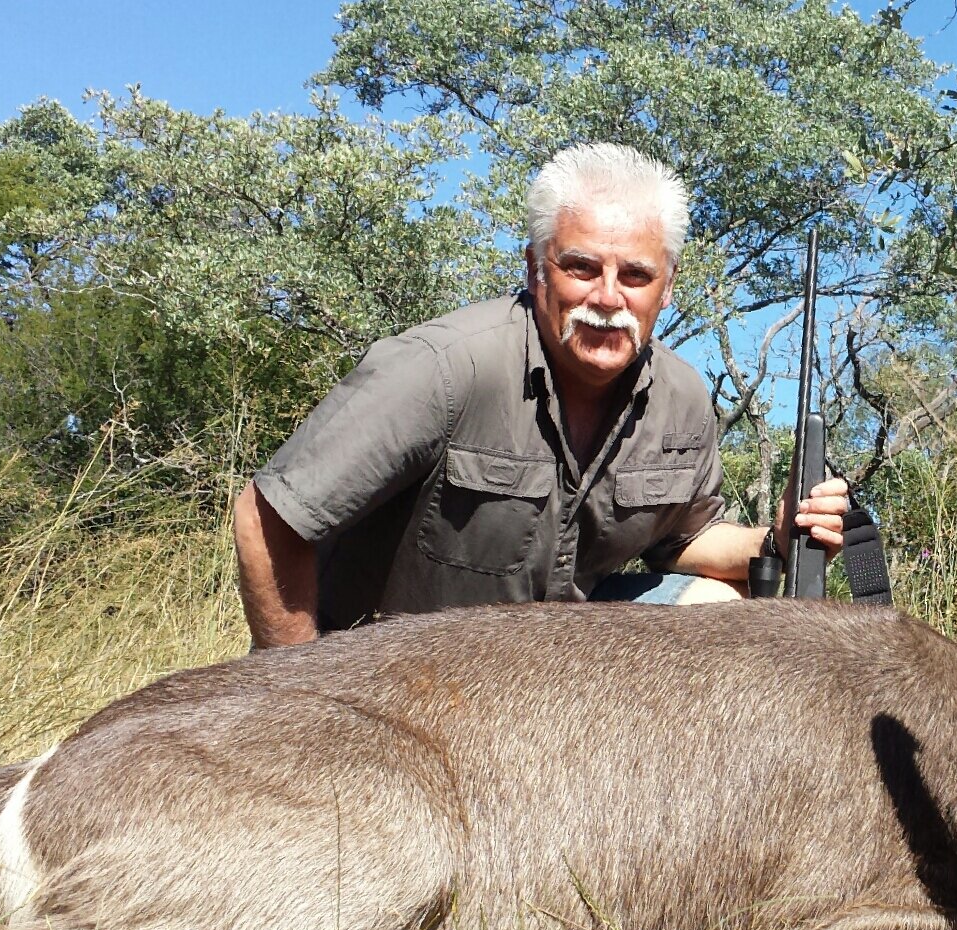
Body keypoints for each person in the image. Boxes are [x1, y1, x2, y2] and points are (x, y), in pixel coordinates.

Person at [231, 142, 848, 649]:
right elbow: (265, 520)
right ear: (535, 268)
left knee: (729, 607)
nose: (608, 297)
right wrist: (299, 692)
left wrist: (779, 539)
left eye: (635, 275)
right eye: (581, 267)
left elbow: (682, 541)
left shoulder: (683, 398)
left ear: (666, 286)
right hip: (393, 672)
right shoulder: (442, 369)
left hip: (541, 677)